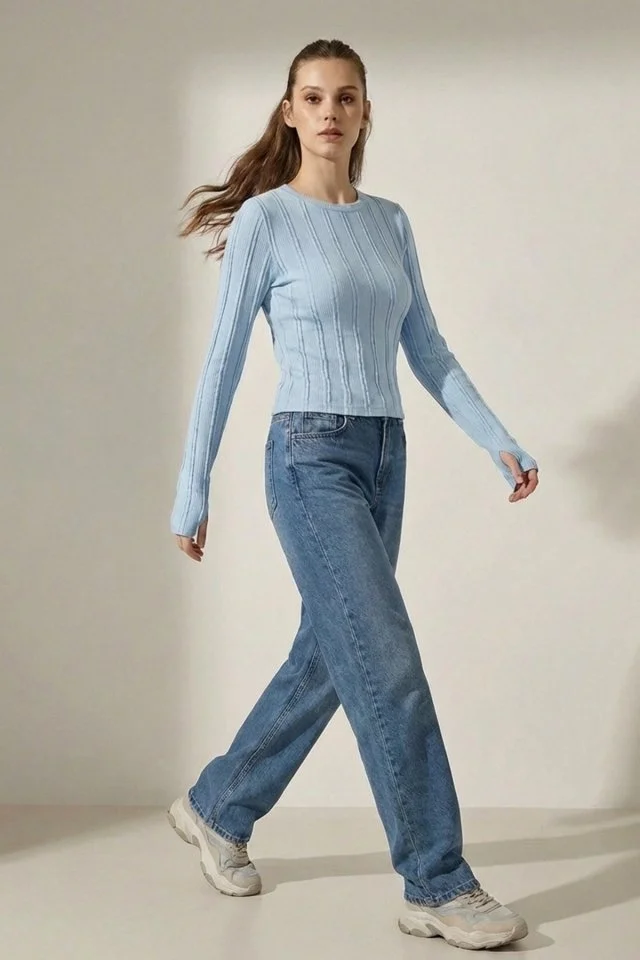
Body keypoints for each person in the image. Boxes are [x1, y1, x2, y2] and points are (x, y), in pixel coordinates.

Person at [167, 37, 539, 952]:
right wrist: (191, 485)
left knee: (333, 659)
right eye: (312, 96)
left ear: (366, 112)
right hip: (310, 459)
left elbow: (429, 350)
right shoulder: (267, 220)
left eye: (345, 97)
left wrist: (497, 438)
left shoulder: (391, 223)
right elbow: (222, 358)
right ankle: (438, 881)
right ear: (290, 112)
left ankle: (219, 804)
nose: (329, 111)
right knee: (387, 661)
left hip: (385, 456)